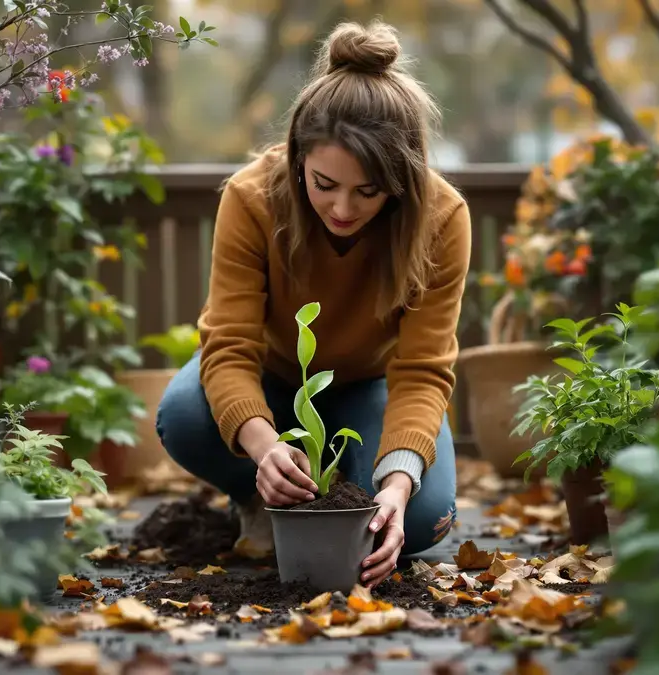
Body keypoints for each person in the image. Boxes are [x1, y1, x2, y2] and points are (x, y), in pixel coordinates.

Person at [155, 19, 470, 589]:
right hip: (273, 381)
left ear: (400, 180)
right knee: (183, 414)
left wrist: (396, 486)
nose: (343, 208)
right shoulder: (252, 198)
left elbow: (423, 371)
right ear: (299, 157)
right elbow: (227, 346)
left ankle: (353, 498)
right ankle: (260, 500)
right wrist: (263, 446)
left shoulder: (442, 218)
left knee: (422, 522)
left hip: (369, 387)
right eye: (323, 183)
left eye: (367, 191)